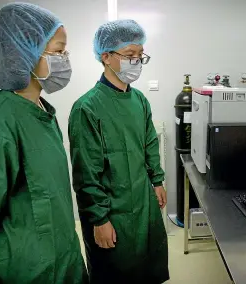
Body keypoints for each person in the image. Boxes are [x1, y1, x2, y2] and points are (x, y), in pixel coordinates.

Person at [0, 3, 88, 283]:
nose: (65, 59)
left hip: (61, 257)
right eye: (57, 51)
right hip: (23, 270)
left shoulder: (41, 111)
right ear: (25, 51)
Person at [68, 19, 169, 283]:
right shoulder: (87, 108)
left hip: (143, 201)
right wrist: (99, 219)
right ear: (106, 57)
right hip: (112, 211)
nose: (136, 62)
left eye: (140, 56)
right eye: (129, 55)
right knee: (117, 272)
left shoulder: (139, 100)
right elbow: (86, 173)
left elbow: (149, 144)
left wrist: (157, 180)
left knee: (148, 266)